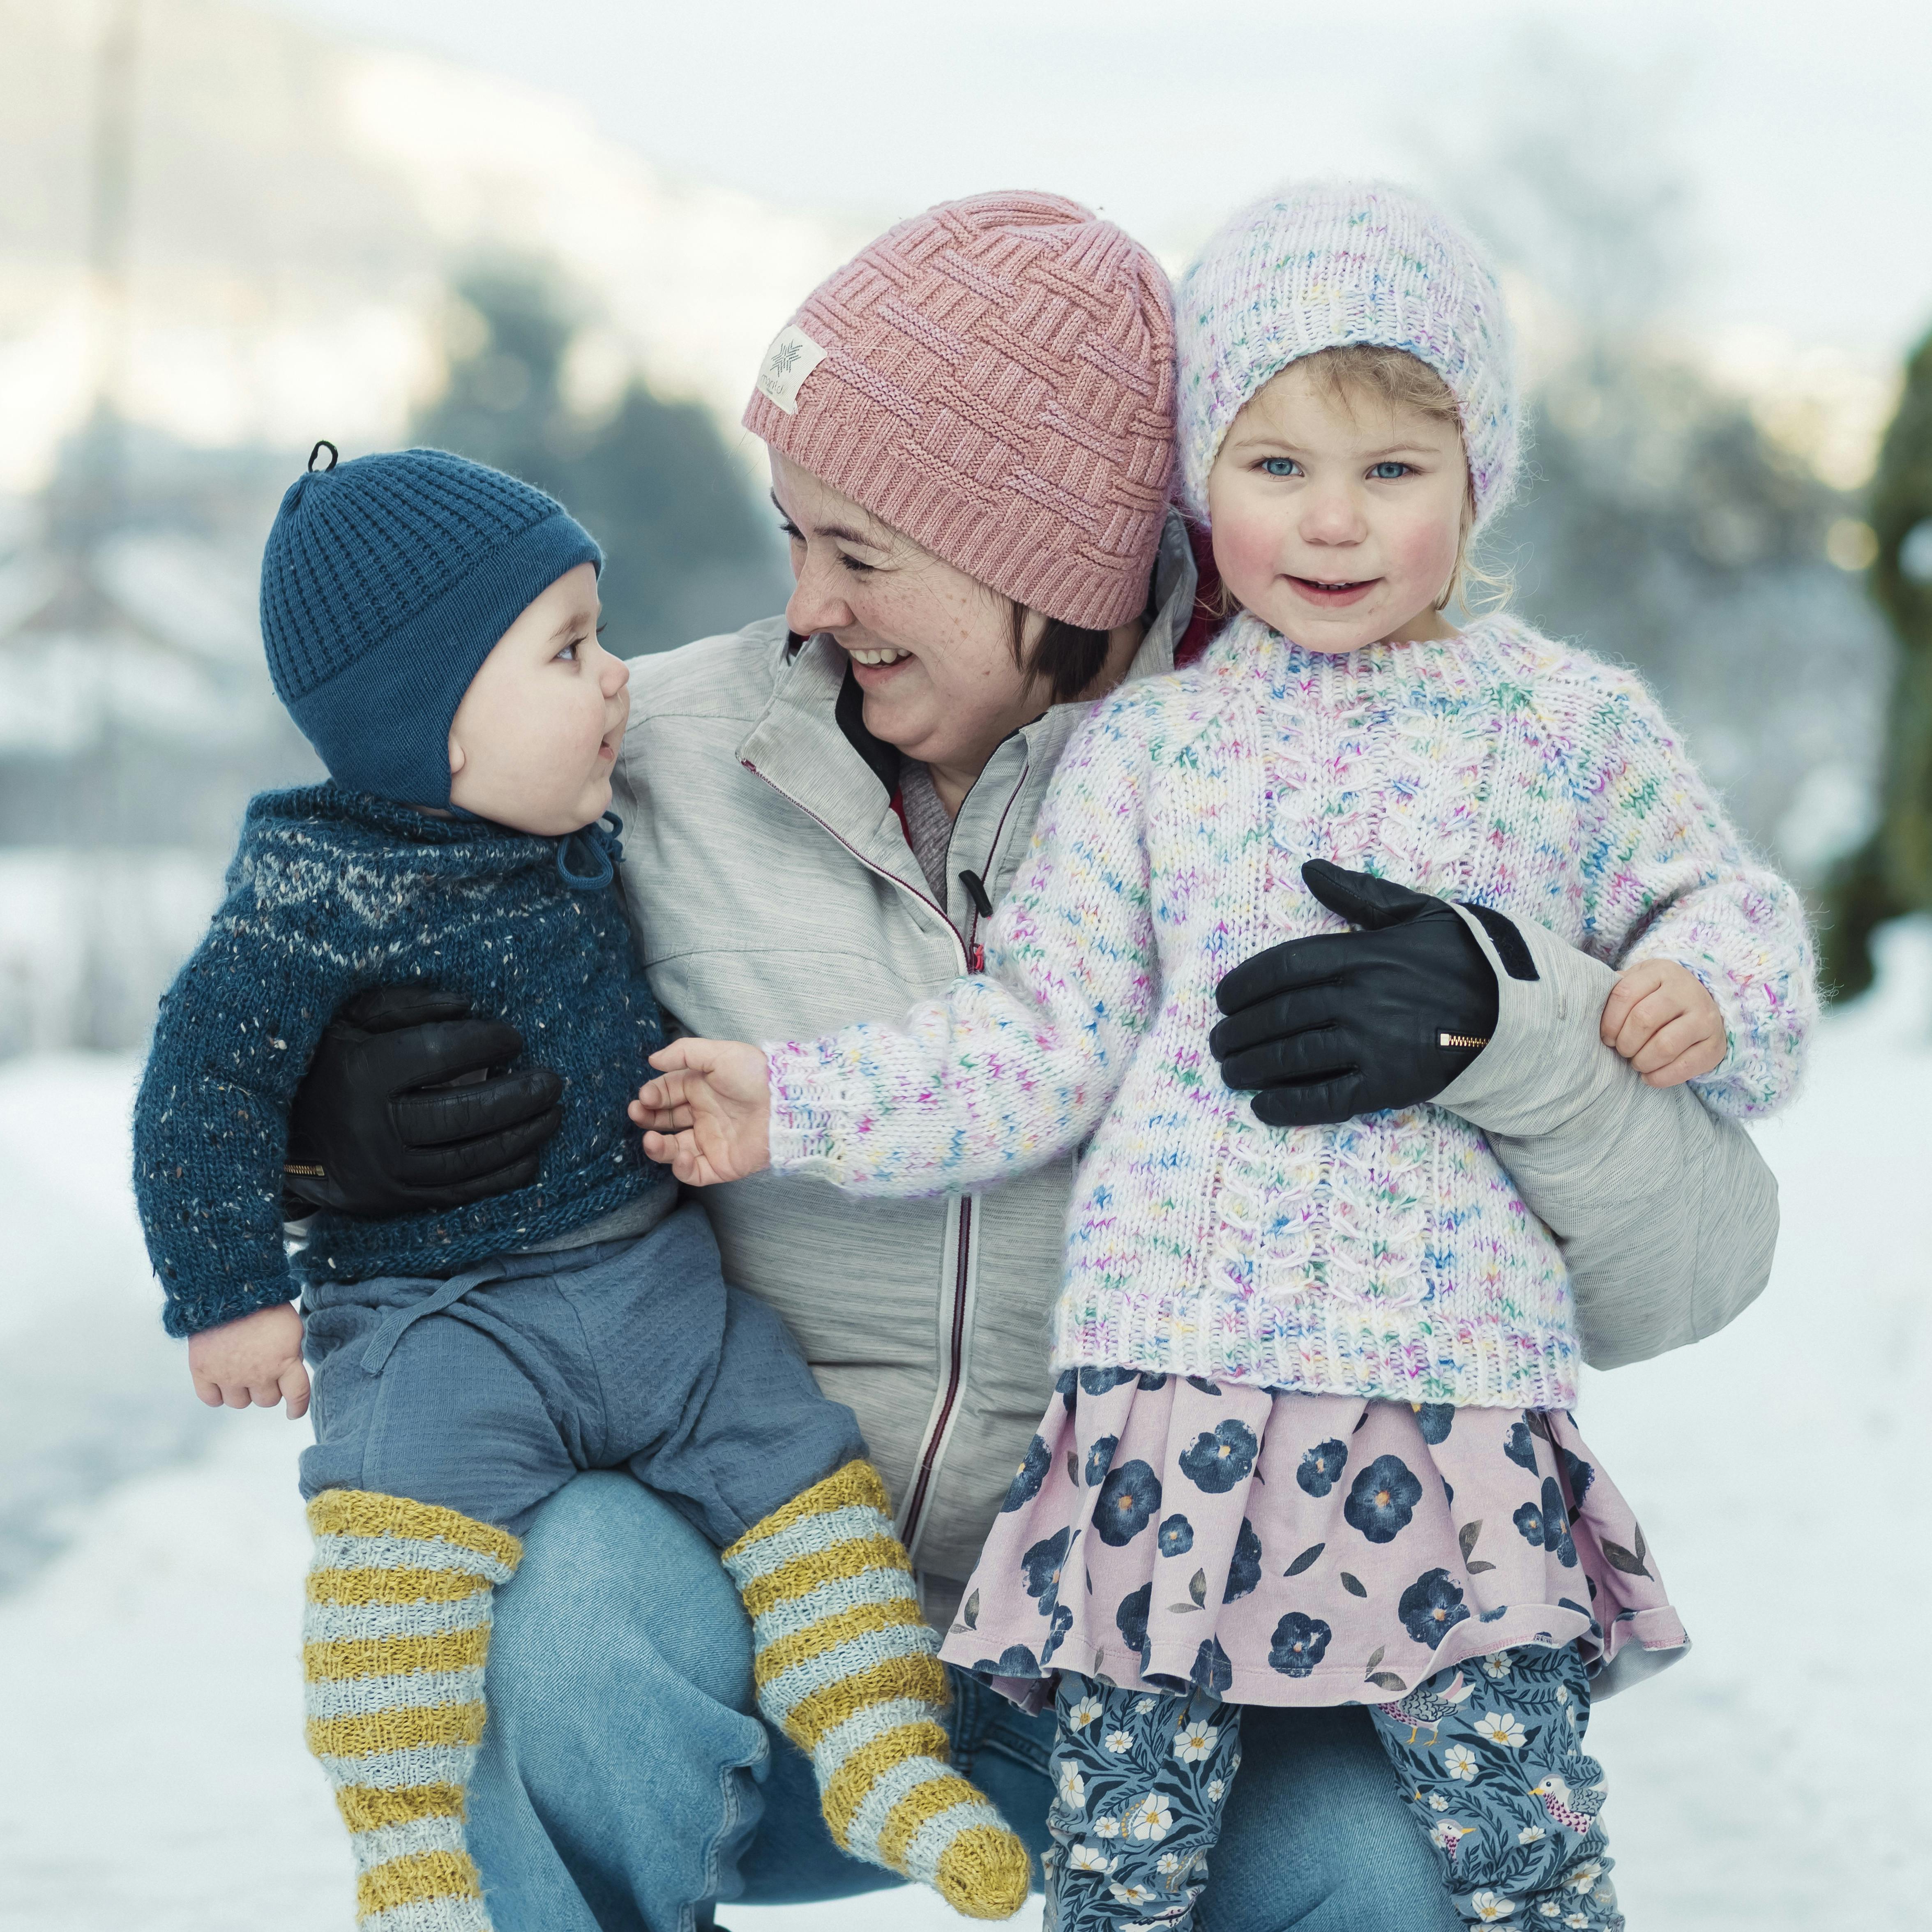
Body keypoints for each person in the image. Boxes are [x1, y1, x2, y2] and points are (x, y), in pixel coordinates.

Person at [284, 191, 1787, 1932]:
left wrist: (1506, 1032)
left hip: (1177, 1631)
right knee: (563, 1603)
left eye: (857, 551)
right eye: (792, 536)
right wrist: (319, 1128)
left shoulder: (1361, 773)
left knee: (1387, 1868)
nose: (802, 606)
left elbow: (1704, 1265)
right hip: (778, 1612)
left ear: (1042, 550)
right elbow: (315, 923)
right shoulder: (655, 756)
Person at [129, 445, 1028, 1932]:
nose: (616, 681)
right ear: (435, 733)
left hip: (653, 1288)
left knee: (804, 1489)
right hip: (442, 1328)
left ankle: (882, 1754)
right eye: (569, 651)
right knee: (398, 1561)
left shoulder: (594, 821)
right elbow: (198, 1090)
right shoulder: (311, 889)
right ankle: (408, 1846)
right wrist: (237, 1283)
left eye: (602, 637)